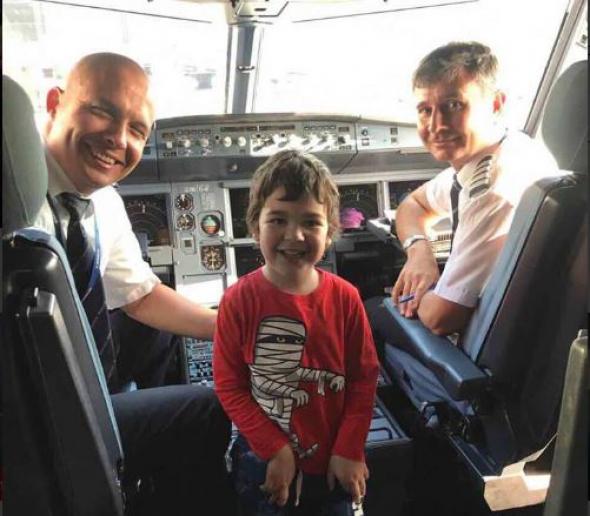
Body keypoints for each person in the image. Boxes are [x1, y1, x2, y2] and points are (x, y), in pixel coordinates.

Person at [35, 52, 232, 515]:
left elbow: (139, 295)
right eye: (101, 111)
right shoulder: (16, 201)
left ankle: (138, 468)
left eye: (137, 130)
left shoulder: (99, 200)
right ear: (54, 103)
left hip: (69, 372)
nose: (118, 140)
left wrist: (234, 329)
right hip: (44, 412)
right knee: (207, 409)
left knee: (155, 331)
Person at [213, 150, 379, 515]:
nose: (295, 235)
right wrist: (275, 448)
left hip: (335, 461)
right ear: (255, 226)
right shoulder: (238, 301)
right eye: (278, 220)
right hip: (264, 460)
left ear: (330, 232)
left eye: (311, 222)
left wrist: (349, 449)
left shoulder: (346, 299)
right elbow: (229, 386)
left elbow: (363, 380)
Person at [389, 41, 559, 336]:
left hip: (480, 364)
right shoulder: (505, 149)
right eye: (425, 110)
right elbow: (413, 203)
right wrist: (419, 253)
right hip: (510, 339)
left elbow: (443, 318)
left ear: (496, 104)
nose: (437, 125)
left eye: (453, 105)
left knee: (372, 314)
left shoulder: (496, 184)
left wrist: (409, 293)